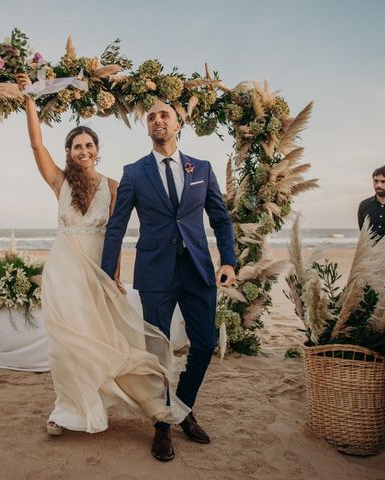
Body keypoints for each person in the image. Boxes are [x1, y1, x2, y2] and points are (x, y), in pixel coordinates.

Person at [14, 74, 190, 446]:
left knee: (102, 339)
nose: (83, 150)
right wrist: (30, 98)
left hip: (96, 273)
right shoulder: (59, 182)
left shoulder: (113, 186)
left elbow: (118, 235)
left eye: (88, 145)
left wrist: (115, 276)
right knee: (64, 343)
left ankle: (112, 401)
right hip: (63, 272)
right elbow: (34, 144)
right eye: (76, 145)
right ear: (70, 152)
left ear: (97, 149)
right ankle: (67, 410)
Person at [101, 100, 237, 462]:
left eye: (164, 115)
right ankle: (162, 428)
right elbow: (117, 227)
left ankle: (183, 409)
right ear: (147, 127)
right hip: (155, 273)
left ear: (179, 124)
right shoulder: (134, 172)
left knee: (205, 344)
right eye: (151, 117)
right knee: (158, 353)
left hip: (198, 271)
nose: (157, 120)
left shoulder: (202, 169)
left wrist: (229, 261)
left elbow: (221, 220)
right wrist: (105, 273)